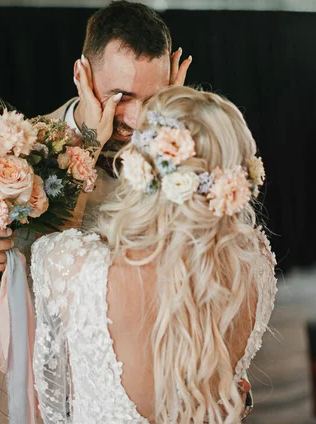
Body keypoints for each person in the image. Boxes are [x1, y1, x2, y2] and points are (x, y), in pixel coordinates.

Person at [0, 0, 191, 423]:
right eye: (120, 96)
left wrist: (181, 117)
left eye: (154, 96)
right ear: (82, 75)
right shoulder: (16, 147)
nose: (136, 116)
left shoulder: (176, 147)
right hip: (30, 382)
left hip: (139, 387)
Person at [31, 84, 277, 424]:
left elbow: (52, 408)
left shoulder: (71, 265)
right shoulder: (256, 260)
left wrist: (90, 141)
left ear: (138, 164)